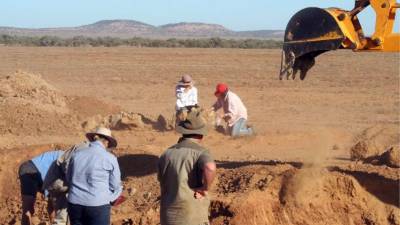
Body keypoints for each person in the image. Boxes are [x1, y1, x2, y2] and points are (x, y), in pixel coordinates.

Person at [158, 110, 217, 225]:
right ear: (201, 135)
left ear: (183, 133)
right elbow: (210, 167)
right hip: (191, 214)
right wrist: (204, 188)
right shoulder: (200, 152)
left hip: (168, 215)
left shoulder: (166, 153)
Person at [67, 127, 123, 225]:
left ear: (93, 139)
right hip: (98, 205)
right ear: (107, 142)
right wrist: (112, 196)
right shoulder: (110, 158)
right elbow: (115, 185)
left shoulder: (76, 155)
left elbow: (69, 178)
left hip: (75, 203)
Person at [18, 150, 64, 225]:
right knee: (28, 209)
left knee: (52, 202)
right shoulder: (66, 157)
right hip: (31, 171)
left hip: (35, 171)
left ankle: (53, 222)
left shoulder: (67, 155)